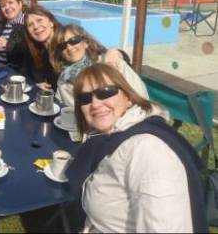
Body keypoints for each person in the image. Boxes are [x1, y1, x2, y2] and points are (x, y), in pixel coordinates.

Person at [67, 63, 206, 233]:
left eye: (106, 92)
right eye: (85, 99)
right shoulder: (110, 137)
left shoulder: (148, 151)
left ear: (128, 97)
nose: (95, 104)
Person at [52, 24, 149, 107]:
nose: (69, 47)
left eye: (74, 40)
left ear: (86, 43)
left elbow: (141, 98)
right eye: (62, 46)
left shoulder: (111, 63)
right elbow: (71, 113)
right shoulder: (64, 80)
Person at [22, 5, 62, 90]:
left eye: (39, 20)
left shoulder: (66, 44)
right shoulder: (41, 51)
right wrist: (38, 83)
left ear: (51, 22)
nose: (36, 27)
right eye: (30, 25)